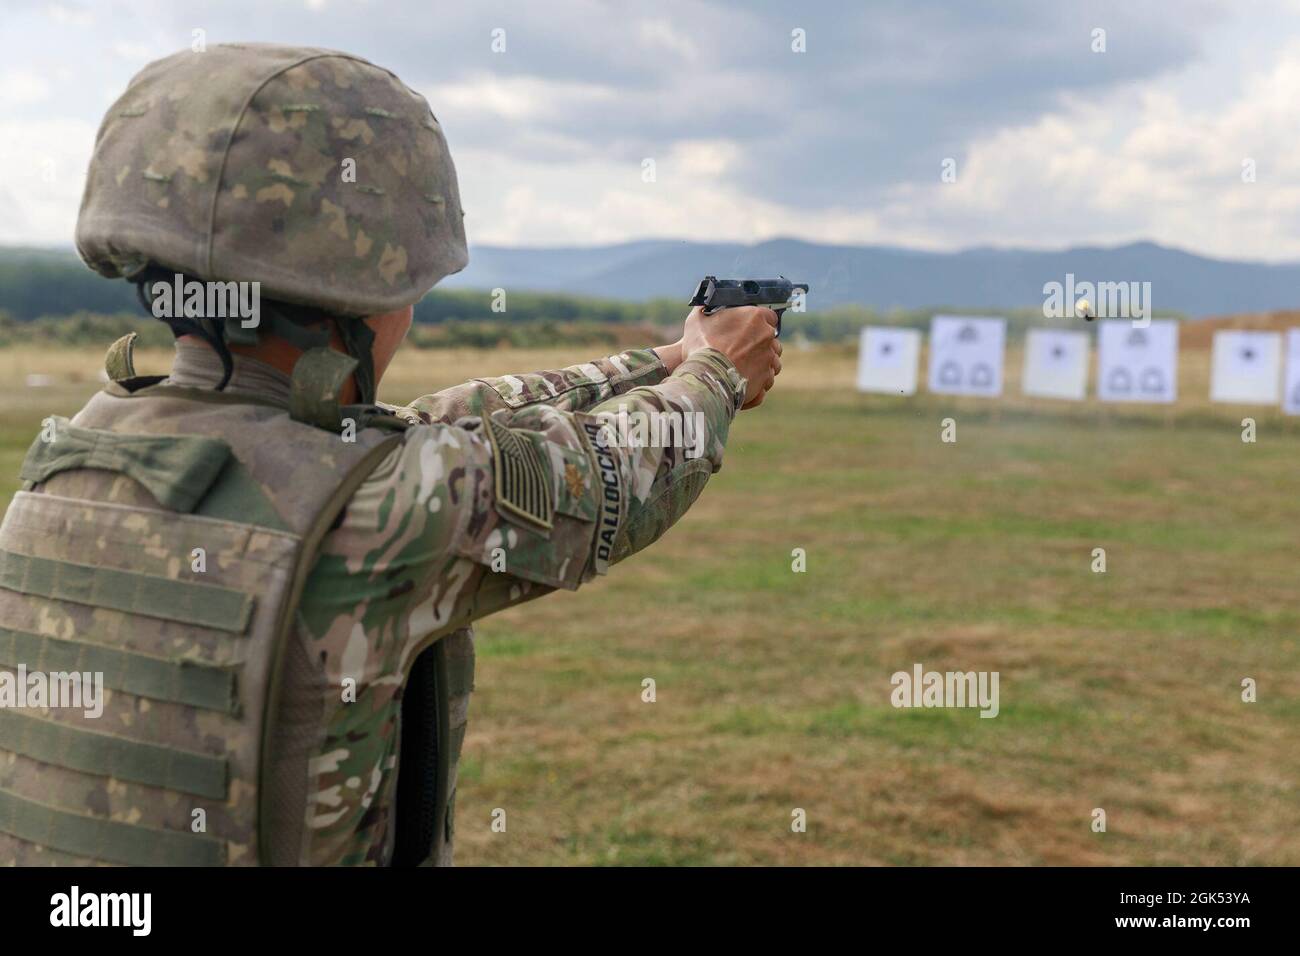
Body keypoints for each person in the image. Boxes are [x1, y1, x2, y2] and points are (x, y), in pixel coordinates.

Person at [0, 43, 780, 866]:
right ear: (365, 290)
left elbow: (411, 432)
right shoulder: (386, 509)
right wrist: (718, 374)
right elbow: (617, 472)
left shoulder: (73, 459)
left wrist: (662, 361)